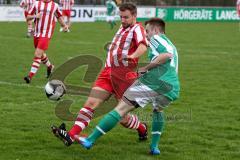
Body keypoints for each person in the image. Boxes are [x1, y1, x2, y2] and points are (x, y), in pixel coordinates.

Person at [77, 18, 180, 155]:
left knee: (120, 110)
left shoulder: (157, 38)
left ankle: (89, 140)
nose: (146, 35)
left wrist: (145, 69)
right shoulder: (171, 43)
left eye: (147, 31)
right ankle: (154, 147)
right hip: (171, 87)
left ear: (156, 30)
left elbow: (166, 55)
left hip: (154, 82)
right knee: (158, 110)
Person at [51, 3, 149, 146]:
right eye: (121, 17)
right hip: (107, 72)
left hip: (123, 76)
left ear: (134, 16)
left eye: (126, 17)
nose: (122, 20)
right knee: (91, 103)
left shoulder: (137, 28)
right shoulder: (123, 27)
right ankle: (71, 135)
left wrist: (132, 56)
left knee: (122, 117)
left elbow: (143, 46)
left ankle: (142, 128)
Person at [23, 0, 68, 83]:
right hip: (36, 34)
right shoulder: (36, 4)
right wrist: (36, 16)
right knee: (41, 54)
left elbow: (59, 17)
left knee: (37, 54)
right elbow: (28, 17)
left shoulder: (55, 5)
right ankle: (50, 67)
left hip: (46, 34)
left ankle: (30, 76)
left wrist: (64, 25)